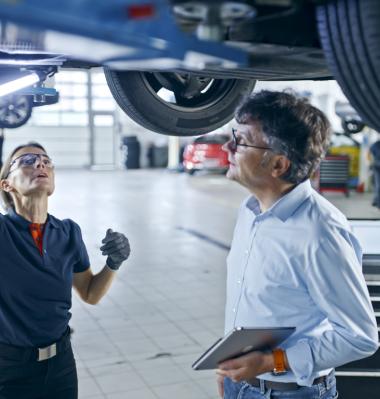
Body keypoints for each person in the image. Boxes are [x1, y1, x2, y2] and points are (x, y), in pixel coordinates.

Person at [216, 91, 378, 399]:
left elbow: (360, 337)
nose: (228, 147)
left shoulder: (320, 233)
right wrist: (232, 373)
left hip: (291, 393)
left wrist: (270, 362)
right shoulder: (249, 212)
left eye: (241, 141)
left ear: (278, 164)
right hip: (243, 385)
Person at [0, 142, 130, 399]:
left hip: (60, 364)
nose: (40, 164)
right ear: (6, 184)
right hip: (10, 368)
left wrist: (114, 261)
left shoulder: (69, 232)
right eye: (27, 161)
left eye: (46, 161)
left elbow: (90, 293)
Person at [370, 139, 380, 208]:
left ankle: (376, 201)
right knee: (378, 185)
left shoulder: (375, 144)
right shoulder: (376, 144)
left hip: (376, 165)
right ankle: (377, 202)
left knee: (377, 185)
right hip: (377, 167)